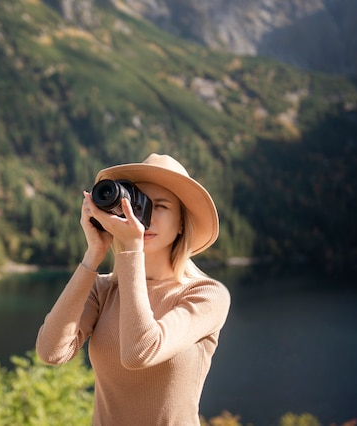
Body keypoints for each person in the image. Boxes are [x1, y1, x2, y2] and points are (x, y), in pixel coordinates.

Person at [36, 153, 231, 426]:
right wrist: (94, 253)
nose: (145, 218)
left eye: (160, 206)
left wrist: (132, 249)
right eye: (139, 205)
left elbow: (139, 352)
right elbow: (51, 352)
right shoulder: (102, 290)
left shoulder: (205, 295)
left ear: (182, 223)